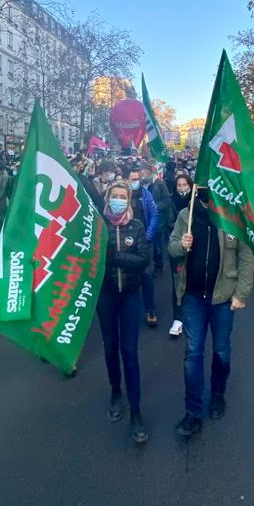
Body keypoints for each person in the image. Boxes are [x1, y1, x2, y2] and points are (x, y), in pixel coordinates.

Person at [168, 187, 254, 439]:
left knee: (221, 350)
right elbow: (171, 246)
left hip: (223, 298)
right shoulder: (187, 214)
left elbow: (246, 255)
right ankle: (192, 410)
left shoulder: (232, 215)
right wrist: (181, 246)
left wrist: (242, 293)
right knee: (192, 354)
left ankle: (217, 395)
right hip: (193, 296)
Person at [97, 182, 151, 444]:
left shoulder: (136, 225)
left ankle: (136, 410)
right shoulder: (97, 225)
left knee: (129, 352)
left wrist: (114, 257)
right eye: (114, 196)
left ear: (129, 200)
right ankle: (116, 392)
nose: (118, 200)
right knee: (110, 347)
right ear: (107, 198)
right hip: (105, 295)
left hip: (130, 295)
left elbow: (143, 260)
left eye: (123, 196)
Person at [126, 164, 159, 327]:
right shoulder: (121, 196)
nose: (136, 182)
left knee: (147, 276)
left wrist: (148, 235)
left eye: (137, 179)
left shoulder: (146, 195)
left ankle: (150, 310)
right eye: (132, 179)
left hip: (144, 242)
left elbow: (154, 215)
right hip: (126, 244)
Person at [167, 173, 193, 337]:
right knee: (177, 281)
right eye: (179, 185)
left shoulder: (196, 204)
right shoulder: (172, 202)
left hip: (193, 247)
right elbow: (166, 221)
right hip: (176, 247)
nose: (182, 188)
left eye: (185, 184)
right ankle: (178, 317)